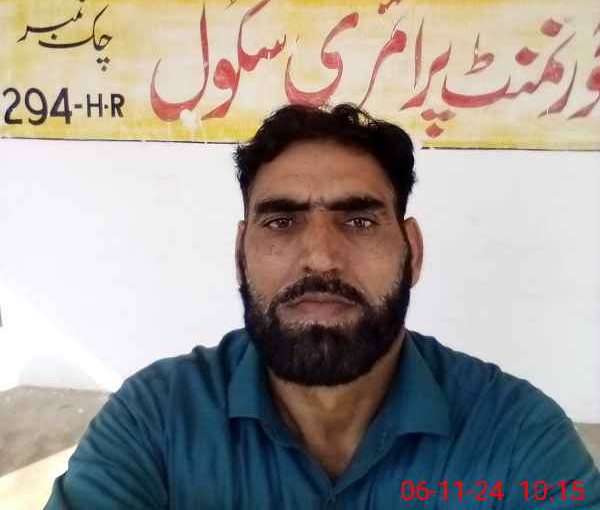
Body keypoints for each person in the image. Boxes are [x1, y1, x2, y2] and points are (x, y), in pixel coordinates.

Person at [45, 104, 600, 508]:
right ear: (240, 255)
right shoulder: (157, 421)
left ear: (413, 252)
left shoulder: (518, 437)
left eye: (358, 221)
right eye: (281, 222)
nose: (320, 258)